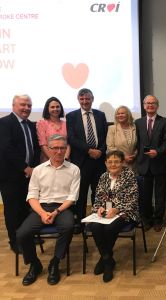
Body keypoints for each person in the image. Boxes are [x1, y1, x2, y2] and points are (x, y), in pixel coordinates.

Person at [16, 134, 80, 286]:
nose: (59, 151)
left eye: (62, 148)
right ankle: (34, 264)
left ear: (66, 149)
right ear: (48, 149)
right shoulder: (38, 170)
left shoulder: (74, 169)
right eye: (55, 148)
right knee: (22, 233)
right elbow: (32, 196)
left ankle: (55, 263)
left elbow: (72, 197)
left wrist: (56, 212)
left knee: (68, 226)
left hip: (63, 208)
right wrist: (43, 213)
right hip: (41, 208)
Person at [90, 150, 140, 282]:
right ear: (106, 163)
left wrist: (117, 209)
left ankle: (105, 262)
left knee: (109, 228)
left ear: (122, 162)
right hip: (106, 212)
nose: (113, 164)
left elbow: (133, 199)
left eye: (116, 161)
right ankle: (107, 258)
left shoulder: (129, 175)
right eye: (110, 162)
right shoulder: (103, 177)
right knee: (94, 227)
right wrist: (99, 208)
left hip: (126, 212)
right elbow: (98, 197)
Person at [0, 94, 40, 253]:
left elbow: (35, 149)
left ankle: (26, 237)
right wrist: (25, 168)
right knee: (12, 211)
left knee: (26, 209)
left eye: (29, 105)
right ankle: (15, 241)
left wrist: (34, 169)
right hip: (10, 176)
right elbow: (7, 148)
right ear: (13, 105)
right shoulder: (4, 123)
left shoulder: (30, 124)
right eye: (23, 105)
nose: (26, 108)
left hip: (29, 175)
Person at [66, 88, 108, 229]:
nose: (85, 101)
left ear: (92, 99)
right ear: (78, 100)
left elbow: (105, 137)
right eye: (82, 99)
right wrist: (89, 150)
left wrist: (100, 151)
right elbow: (72, 138)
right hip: (81, 161)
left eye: (87, 99)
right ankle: (81, 222)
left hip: (99, 160)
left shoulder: (100, 115)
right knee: (81, 193)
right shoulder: (71, 116)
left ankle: (97, 219)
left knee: (98, 192)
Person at [135, 95, 166, 232]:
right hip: (143, 164)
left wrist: (158, 152)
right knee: (145, 195)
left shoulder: (165, 122)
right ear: (144, 105)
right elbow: (137, 142)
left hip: (160, 162)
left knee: (160, 195)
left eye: (153, 103)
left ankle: (158, 220)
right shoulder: (138, 122)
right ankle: (147, 219)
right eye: (147, 103)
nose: (150, 105)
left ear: (157, 105)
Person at [36, 97, 71, 162]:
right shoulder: (41, 123)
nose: (55, 109)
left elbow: (68, 144)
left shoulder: (66, 124)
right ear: (47, 109)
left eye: (57, 107)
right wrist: (54, 160)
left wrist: (65, 159)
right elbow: (43, 145)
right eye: (52, 107)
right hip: (48, 161)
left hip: (65, 160)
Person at [106, 105, 137, 171]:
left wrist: (134, 155)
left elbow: (139, 144)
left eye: (122, 113)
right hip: (118, 165)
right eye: (118, 114)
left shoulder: (135, 127)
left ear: (128, 114)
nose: (120, 115)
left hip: (134, 164)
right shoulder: (112, 128)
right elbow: (110, 147)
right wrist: (123, 157)